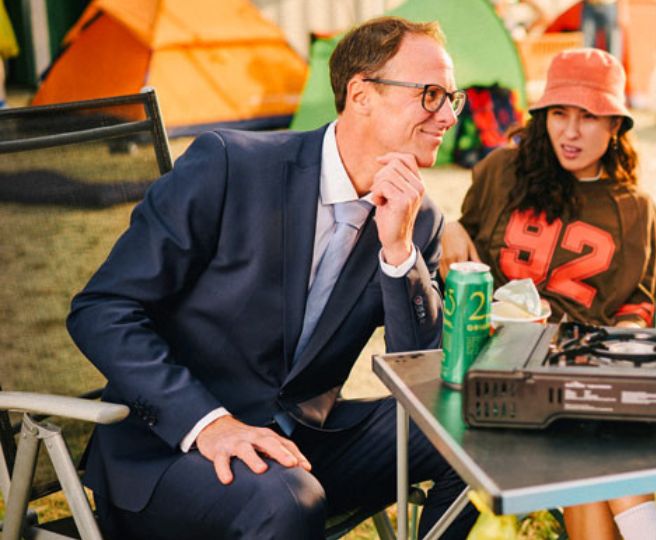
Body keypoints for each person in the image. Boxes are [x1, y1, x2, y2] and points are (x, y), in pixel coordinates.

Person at [66, 16, 479, 539]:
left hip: (304, 441)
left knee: (471, 434)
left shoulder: (418, 219)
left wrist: (397, 252)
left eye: (451, 98)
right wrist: (208, 422)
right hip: (173, 451)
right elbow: (102, 309)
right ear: (361, 95)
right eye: (430, 95)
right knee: (285, 500)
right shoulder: (229, 165)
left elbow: (421, 372)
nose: (448, 115)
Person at [439, 48, 656, 539]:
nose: (570, 131)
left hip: (580, 372)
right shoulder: (502, 171)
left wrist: (621, 340)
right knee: (590, 439)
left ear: (615, 126)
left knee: (587, 436)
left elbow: (636, 306)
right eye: (559, 114)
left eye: (588, 117)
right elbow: (462, 248)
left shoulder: (634, 209)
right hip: (493, 367)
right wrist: (448, 227)